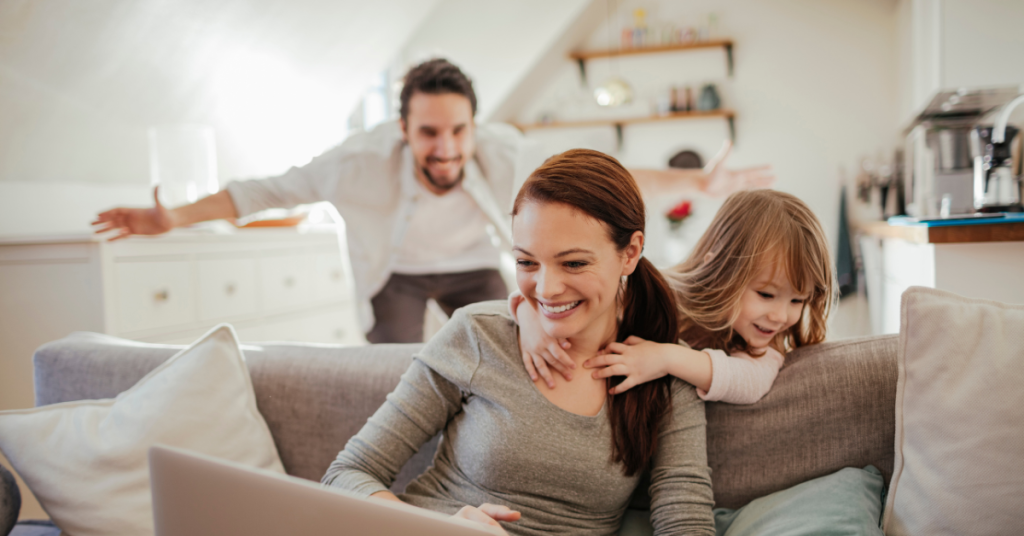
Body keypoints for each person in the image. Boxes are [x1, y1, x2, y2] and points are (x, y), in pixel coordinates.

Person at [91, 58, 774, 344]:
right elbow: (261, 191)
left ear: (474, 126)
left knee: (506, 344)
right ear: (403, 129)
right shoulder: (356, 164)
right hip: (394, 272)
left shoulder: (506, 152)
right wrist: (171, 217)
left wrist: (697, 184)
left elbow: (608, 178)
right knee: (390, 362)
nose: (445, 148)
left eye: (457, 131)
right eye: (428, 133)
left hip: (473, 261)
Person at [321, 149, 715, 535]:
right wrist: (436, 528)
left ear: (630, 253)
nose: (546, 289)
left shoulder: (665, 368)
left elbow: (686, 522)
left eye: (574, 263)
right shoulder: (479, 335)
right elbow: (346, 475)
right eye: (527, 262)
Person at [513, 189, 835, 404]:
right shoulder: (661, 291)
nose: (781, 316)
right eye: (766, 295)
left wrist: (665, 358)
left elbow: (751, 381)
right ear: (719, 270)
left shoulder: (766, 342)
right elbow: (546, 293)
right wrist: (530, 320)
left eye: (798, 300)